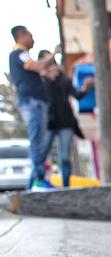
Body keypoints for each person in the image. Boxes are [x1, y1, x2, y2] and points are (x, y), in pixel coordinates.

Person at [9, 25, 55, 190]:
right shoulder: (19, 53)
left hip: (34, 101)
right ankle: (38, 180)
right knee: (37, 141)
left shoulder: (21, 54)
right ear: (22, 35)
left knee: (39, 141)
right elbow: (37, 66)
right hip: (32, 101)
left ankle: (34, 182)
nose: (33, 39)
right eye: (30, 35)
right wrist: (53, 55)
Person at [38, 50, 93, 188]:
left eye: (52, 62)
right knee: (41, 154)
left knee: (65, 157)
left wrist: (85, 88)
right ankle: (37, 181)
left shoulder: (63, 79)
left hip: (65, 122)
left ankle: (66, 187)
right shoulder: (40, 81)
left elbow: (77, 95)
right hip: (48, 124)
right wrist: (47, 78)